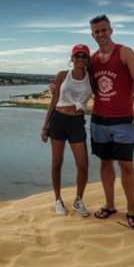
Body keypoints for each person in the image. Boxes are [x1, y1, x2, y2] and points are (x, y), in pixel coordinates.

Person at [89, 14, 134, 228]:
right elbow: (84, 83)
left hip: (123, 120)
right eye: (97, 31)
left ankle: (132, 210)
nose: (101, 34)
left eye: (104, 30)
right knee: (105, 163)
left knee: (126, 165)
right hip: (99, 121)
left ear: (111, 31)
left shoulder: (125, 52)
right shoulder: (93, 59)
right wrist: (55, 87)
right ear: (92, 34)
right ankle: (110, 205)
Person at [41, 44, 93, 217]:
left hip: (76, 122)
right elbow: (54, 101)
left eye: (83, 56)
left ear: (87, 59)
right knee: (57, 162)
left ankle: (78, 200)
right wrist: (45, 125)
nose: (80, 59)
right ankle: (58, 200)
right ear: (72, 59)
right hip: (58, 120)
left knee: (83, 165)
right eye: (77, 56)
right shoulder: (63, 75)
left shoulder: (91, 78)